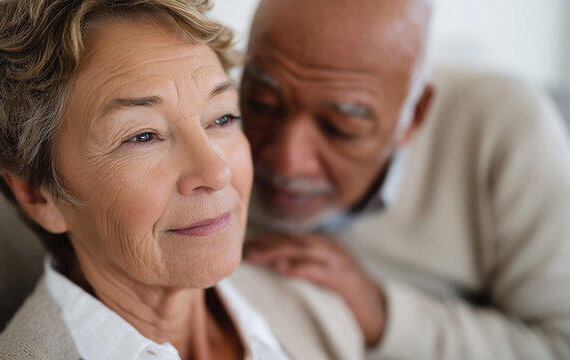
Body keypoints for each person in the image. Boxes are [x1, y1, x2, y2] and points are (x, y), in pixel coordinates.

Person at [0, 1, 294, 359]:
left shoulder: (310, 300)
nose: (217, 173)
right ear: (38, 196)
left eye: (223, 118)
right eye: (142, 136)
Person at [236, 0, 570, 358]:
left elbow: (559, 342)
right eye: (263, 104)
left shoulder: (505, 128)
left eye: (340, 129)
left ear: (414, 116)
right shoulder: (213, 124)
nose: (288, 163)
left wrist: (384, 316)